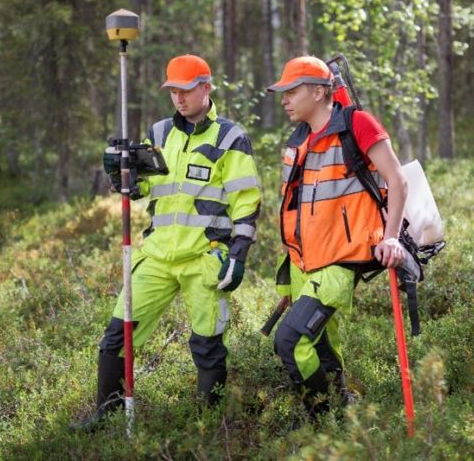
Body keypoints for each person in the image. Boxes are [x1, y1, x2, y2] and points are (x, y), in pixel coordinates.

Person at [73, 54, 261, 430]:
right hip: (157, 255)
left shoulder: (230, 137)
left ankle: (209, 428)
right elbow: (141, 187)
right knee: (118, 334)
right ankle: (106, 416)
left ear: (206, 88)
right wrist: (122, 177)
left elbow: (246, 201)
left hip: (205, 258)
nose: (179, 98)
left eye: (186, 90)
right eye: (173, 90)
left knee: (208, 346)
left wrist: (238, 255)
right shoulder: (158, 134)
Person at [266, 56, 409, 419]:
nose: (284, 99)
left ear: (318, 91)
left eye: (292, 91)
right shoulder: (298, 139)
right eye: (282, 92)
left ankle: (322, 418)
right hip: (303, 263)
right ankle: (342, 410)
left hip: (341, 260)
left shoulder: (358, 124)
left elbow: (398, 180)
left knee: (290, 340)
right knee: (323, 344)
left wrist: (391, 238)